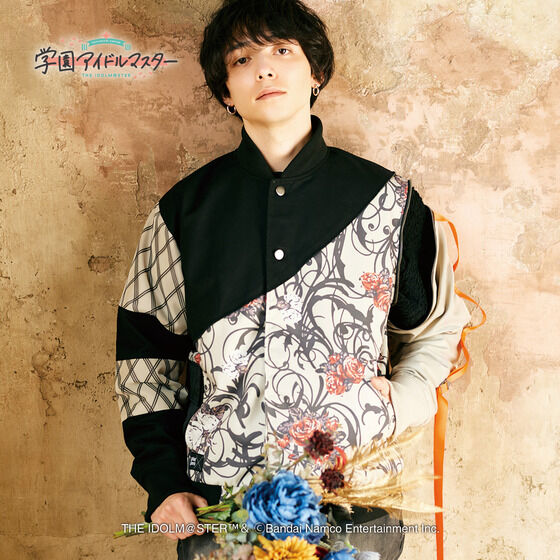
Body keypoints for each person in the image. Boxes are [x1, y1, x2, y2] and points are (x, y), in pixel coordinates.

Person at [114, 1, 471, 558]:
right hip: (223, 509)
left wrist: (403, 401)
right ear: (226, 92)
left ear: (316, 73)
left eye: (283, 50)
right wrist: (163, 483)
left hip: (357, 498)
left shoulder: (388, 203)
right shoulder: (184, 212)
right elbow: (144, 360)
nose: (264, 68)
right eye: (242, 59)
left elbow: (436, 328)